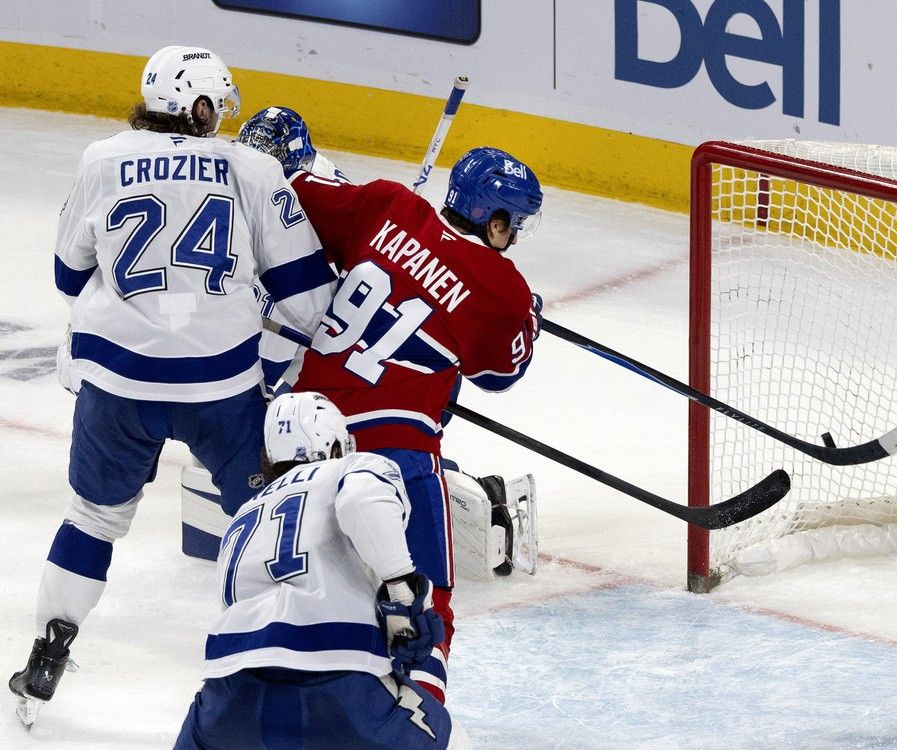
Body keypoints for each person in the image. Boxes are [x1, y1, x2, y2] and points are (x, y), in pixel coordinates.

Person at [9, 47, 334, 729]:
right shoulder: (250, 167)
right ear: (199, 105)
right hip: (220, 387)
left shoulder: (102, 159)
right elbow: (309, 302)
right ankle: (292, 667)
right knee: (266, 517)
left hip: (117, 384)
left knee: (93, 518)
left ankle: (49, 648)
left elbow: (68, 276)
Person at [237, 106, 544, 703]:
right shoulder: (503, 288)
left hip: (303, 436)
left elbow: (296, 202)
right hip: (396, 452)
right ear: (495, 220)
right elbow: (500, 374)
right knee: (427, 608)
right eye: (514, 224)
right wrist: (529, 318)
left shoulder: (388, 204)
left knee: (304, 593)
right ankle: (418, 722)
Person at [174, 392, 468, 749]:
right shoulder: (351, 468)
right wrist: (401, 588)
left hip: (228, 693)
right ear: (335, 445)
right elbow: (362, 499)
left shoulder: (244, 515)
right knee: (451, 739)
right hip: (335, 676)